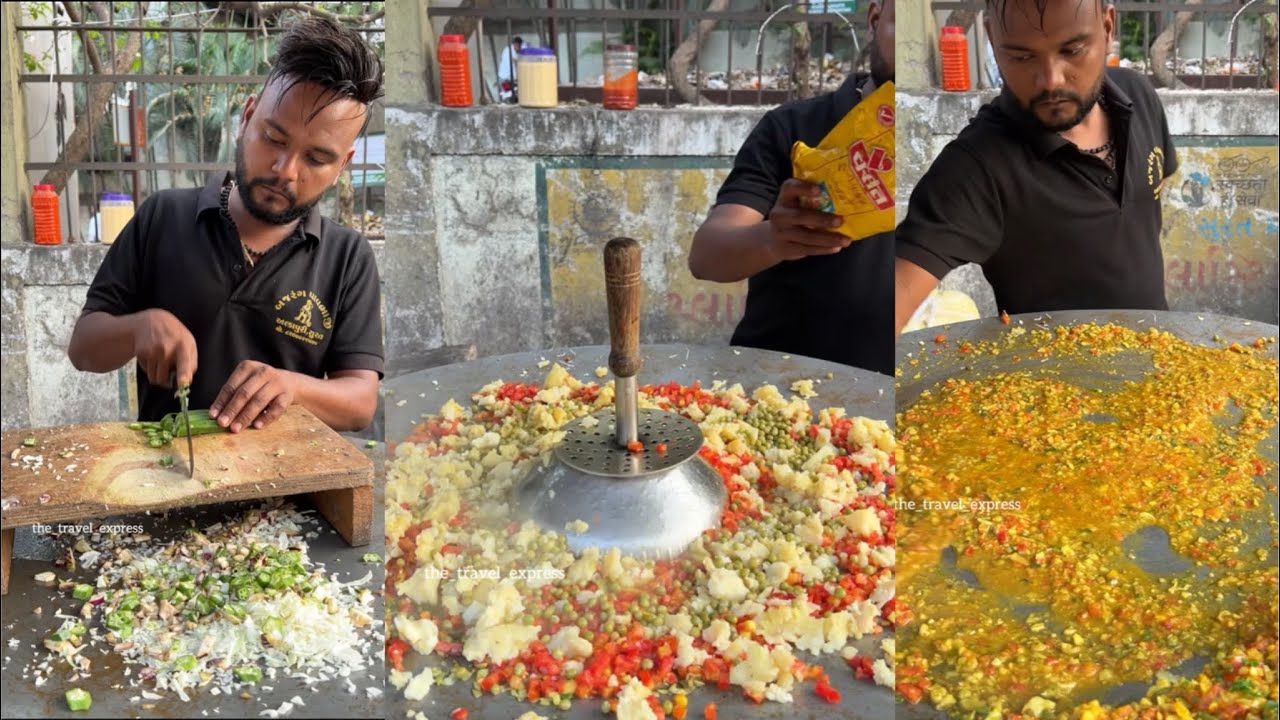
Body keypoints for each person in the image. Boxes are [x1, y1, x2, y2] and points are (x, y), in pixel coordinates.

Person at [67, 17, 385, 433]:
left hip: (293, 489)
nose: (286, 171)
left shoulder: (347, 257)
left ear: (343, 164)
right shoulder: (163, 217)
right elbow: (83, 348)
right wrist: (138, 327)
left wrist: (291, 387)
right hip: (169, 480)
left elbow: (360, 402)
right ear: (247, 117)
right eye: (273, 138)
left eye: (317, 159)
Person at [894, 0, 1178, 334]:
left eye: (1072, 50)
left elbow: (1145, 213)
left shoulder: (1138, 95)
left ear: (1107, 26)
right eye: (1022, 56)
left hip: (1162, 359)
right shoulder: (977, 167)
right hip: (1050, 380)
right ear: (990, 36)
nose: (1050, 80)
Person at [688, 1, 895, 375]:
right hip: (782, 385)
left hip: (902, 398)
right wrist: (774, 239)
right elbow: (706, 256)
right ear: (875, 20)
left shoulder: (951, 144)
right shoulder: (792, 127)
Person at [497, 36, 524, 103]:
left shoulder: (509, 49)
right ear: (516, 44)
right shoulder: (510, 51)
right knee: (510, 97)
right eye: (519, 46)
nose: (519, 48)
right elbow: (513, 63)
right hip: (506, 79)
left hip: (505, 78)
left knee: (510, 96)